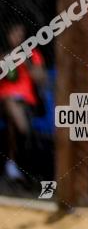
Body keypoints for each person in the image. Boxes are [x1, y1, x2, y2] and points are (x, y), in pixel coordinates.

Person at [0, 23, 47, 181]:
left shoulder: (33, 54)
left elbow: (42, 79)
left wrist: (26, 63)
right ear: (8, 35)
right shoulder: (2, 54)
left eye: (21, 34)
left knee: (13, 120)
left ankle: (12, 163)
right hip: (4, 100)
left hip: (27, 103)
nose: (17, 37)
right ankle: (21, 154)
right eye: (14, 33)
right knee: (10, 102)